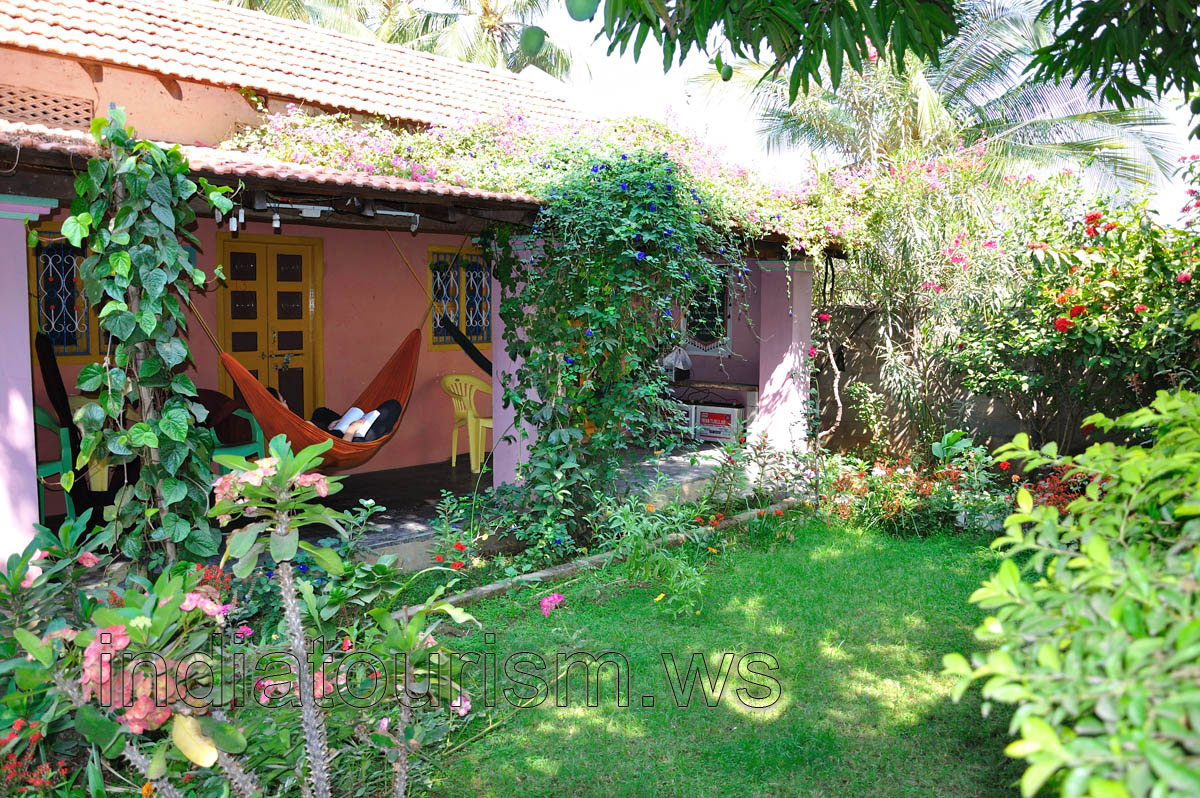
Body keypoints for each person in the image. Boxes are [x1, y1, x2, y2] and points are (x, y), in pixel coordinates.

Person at [266, 389, 401, 442]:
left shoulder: (279, 424)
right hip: (350, 440)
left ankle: (348, 422)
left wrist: (328, 428)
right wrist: (351, 428)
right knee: (393, 406)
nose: (286, 402)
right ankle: (365, 424)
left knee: (321, 412)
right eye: (282, 400)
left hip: (331, 434)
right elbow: (342, 445)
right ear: (276, 405)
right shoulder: (297, 427)